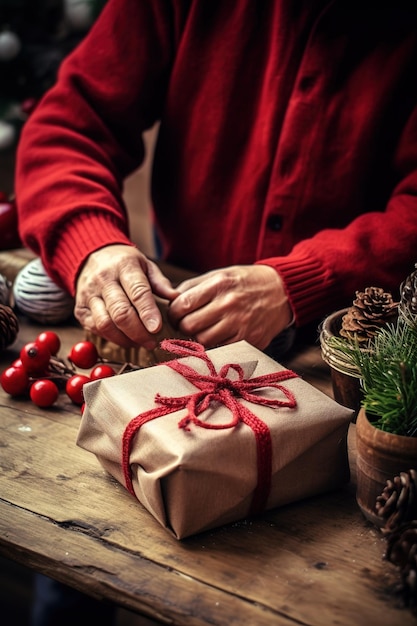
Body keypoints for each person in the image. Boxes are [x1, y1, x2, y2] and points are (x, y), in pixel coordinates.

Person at [14, 1, 417, 624]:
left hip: (351, 355)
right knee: (86, 529)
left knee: (277, 578)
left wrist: (304, 280)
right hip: (169, 310)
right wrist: (92, 242)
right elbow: (69, 123)